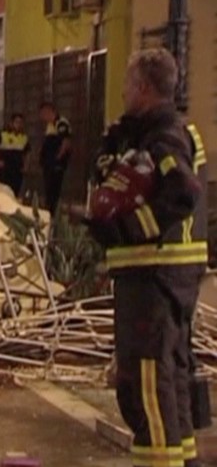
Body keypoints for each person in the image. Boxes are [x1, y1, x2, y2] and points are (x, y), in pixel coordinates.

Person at [71, 48, 207, 467]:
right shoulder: (156, 132)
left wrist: (127, 229)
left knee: (147, 379)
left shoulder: (163, 136)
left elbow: (183, 193)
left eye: (129, 85)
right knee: (170, 375)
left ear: (144, 88)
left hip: (154, 272)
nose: (124, 92)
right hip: (167, 273)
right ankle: (180, 458)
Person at [38, 101, 72, 214]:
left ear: (48, 111)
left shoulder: (61, 122)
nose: (42, 117)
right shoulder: (50, 125)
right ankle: (49, 211)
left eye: (43, 114)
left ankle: (53, 213)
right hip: (48, 164)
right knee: (48, 190)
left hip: (55, 164)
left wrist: (58, 158)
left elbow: (66, 141)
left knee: (54, 190)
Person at [0, 113, 30, 196]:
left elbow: (28, 153)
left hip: (17, 169)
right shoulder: (2, 134)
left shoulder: (24, 137)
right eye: (17, 122)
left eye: (21, 122)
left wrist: (26, 165)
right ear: (11, 123)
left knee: (15, 192)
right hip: (4, 169)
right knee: (4, 192)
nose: (19, 125)